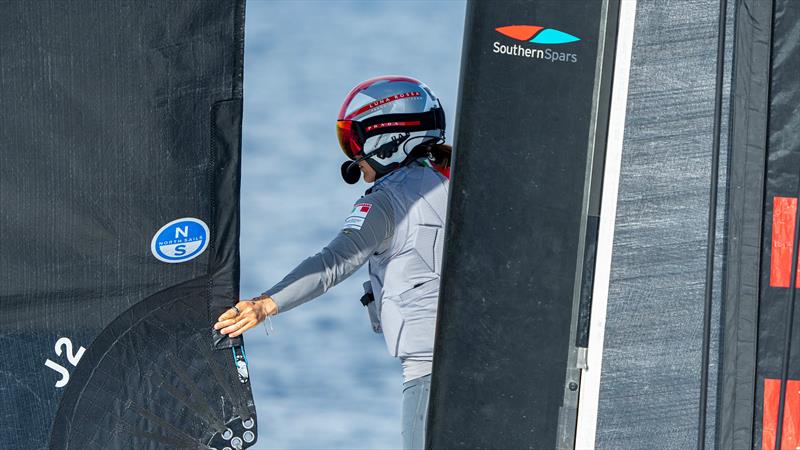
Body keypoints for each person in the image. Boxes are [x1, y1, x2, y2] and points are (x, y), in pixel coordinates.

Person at [213, 75, 450, 449]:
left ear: (387, 141)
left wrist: (265, 305)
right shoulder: (453, 181)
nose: (354, 157)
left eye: (354, 141)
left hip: (429, 376)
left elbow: (333, 262)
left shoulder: (385, 203)